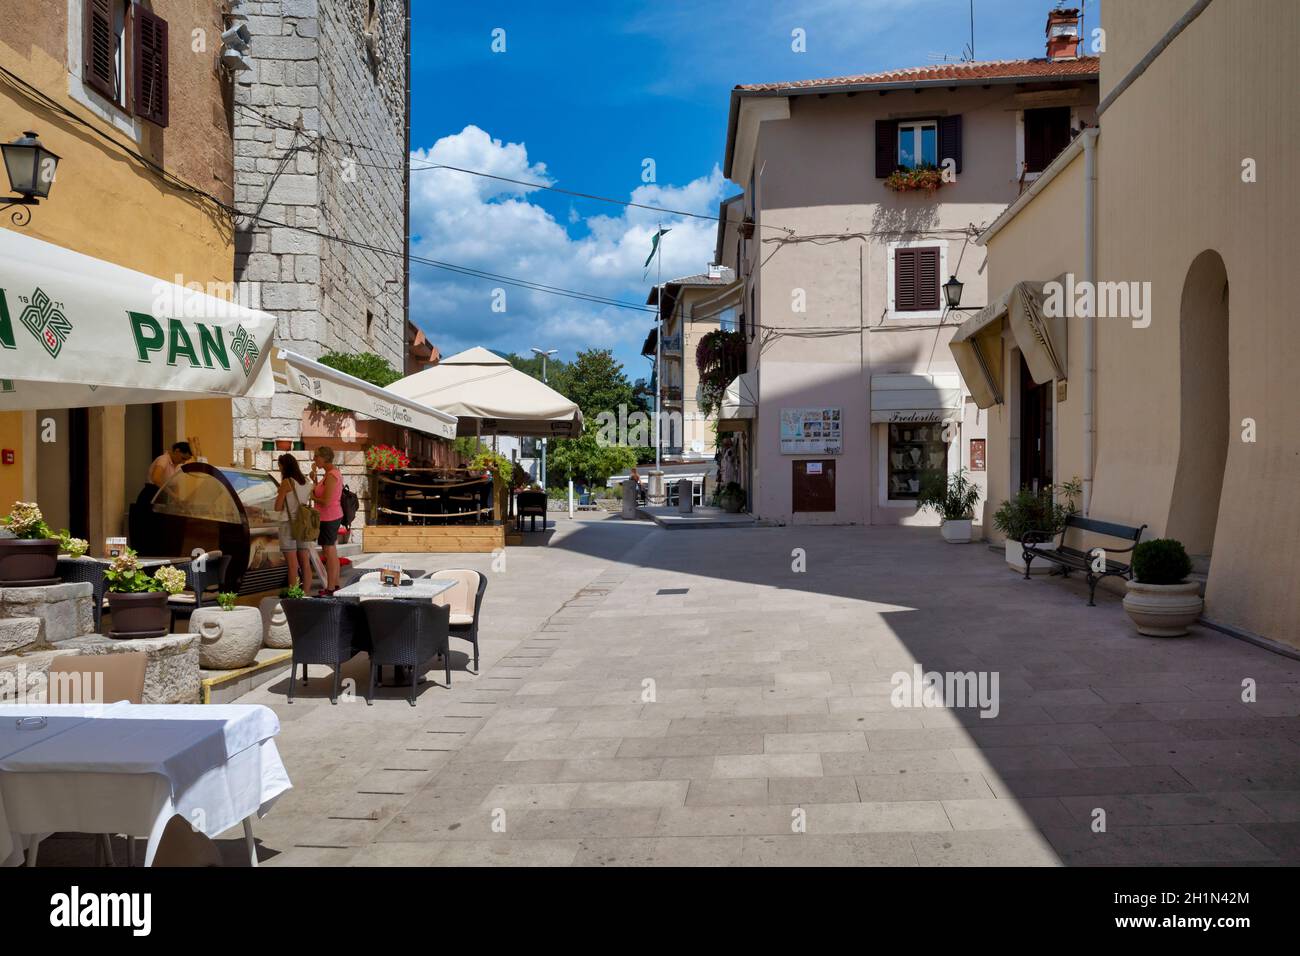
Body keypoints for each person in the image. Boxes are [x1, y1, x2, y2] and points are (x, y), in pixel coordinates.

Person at [274, 453, 313, 594]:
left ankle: (294, 595)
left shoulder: (287, 482)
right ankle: (306, 593)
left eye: (280, 467)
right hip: (303, 524)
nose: (280, 470)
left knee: (292, 565)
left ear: (284, 466)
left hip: (288, 524)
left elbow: (277, 507)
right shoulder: (307, 482)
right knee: (305, 562)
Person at [309, 445, 343, 595]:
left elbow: (326, 500)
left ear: (324, 458)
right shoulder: (329, 474)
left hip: (328, 516)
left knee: (329, 552)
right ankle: (334, 585)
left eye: (316, 456)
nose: (314, 459)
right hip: (329, 516)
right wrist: (314, 478)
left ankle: (330, 587)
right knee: (331, 551)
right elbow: (322, 492)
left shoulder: (331, 475)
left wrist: (312, 496)